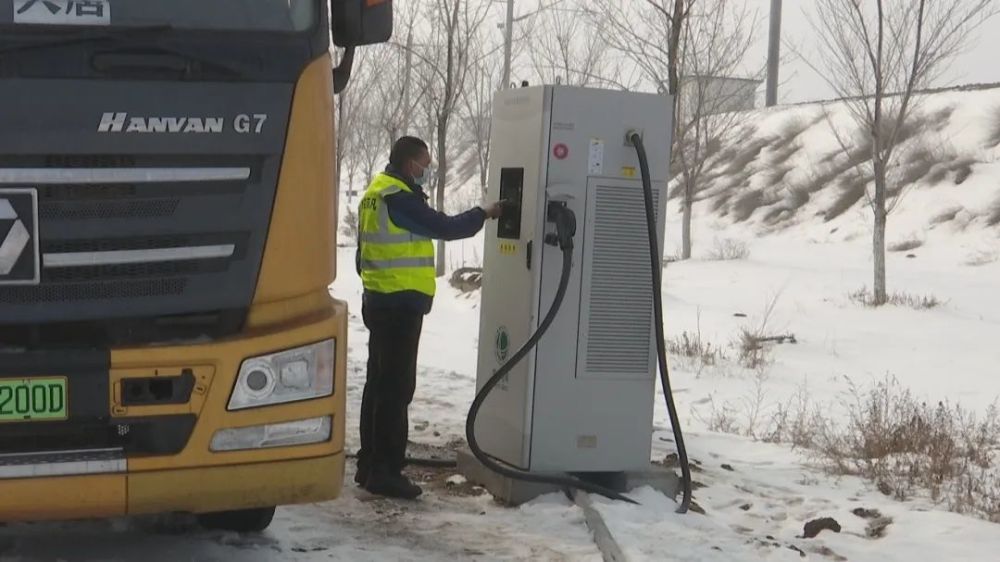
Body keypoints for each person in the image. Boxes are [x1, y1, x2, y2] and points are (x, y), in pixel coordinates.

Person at [354, 136, 503, 499]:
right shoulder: (398, 197)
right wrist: (485, 213)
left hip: (379, 299)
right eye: (425, 164)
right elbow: (447, 228)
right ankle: (386, 472)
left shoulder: (374, 192)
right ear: (410, 164)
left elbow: (361, 254)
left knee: (378, 385)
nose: (427, 170)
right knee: (396, 390)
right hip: (399, 305)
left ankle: (369, 464)